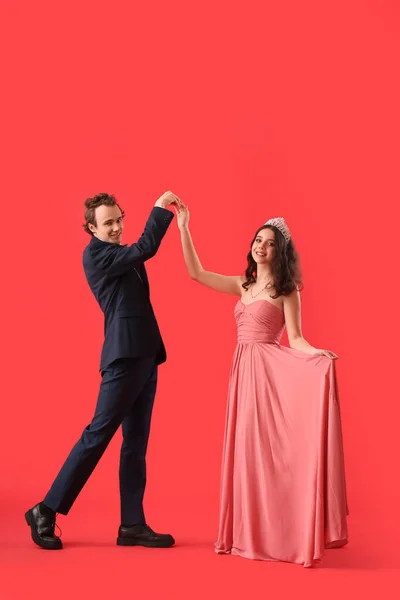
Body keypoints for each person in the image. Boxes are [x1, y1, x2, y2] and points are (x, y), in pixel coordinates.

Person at [176, 206, 349, 567]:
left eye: (269, 244)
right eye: (258, 240)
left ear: (279, 252)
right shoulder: (243, 285)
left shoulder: (288, 290)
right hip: (242, 371)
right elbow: (196, 273)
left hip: (268, 376)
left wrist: (317, 354)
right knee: (246, 453)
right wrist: (184, 226)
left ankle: (282, 534)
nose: (261, 247)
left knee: (269, 455)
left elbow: (296, 339)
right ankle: (246, 533)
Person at [25, 191, 181, 550]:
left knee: (135, 443)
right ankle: (45, 510)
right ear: (92, 228)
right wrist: (159, 208)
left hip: (144, 355)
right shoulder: (97, 254)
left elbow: (137, 258)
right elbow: (146, 248)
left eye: (118, 220)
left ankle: (132, 524)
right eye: (107, 223)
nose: (115, 227)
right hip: (124, 358)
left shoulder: (121, 255)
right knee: (97, 435)